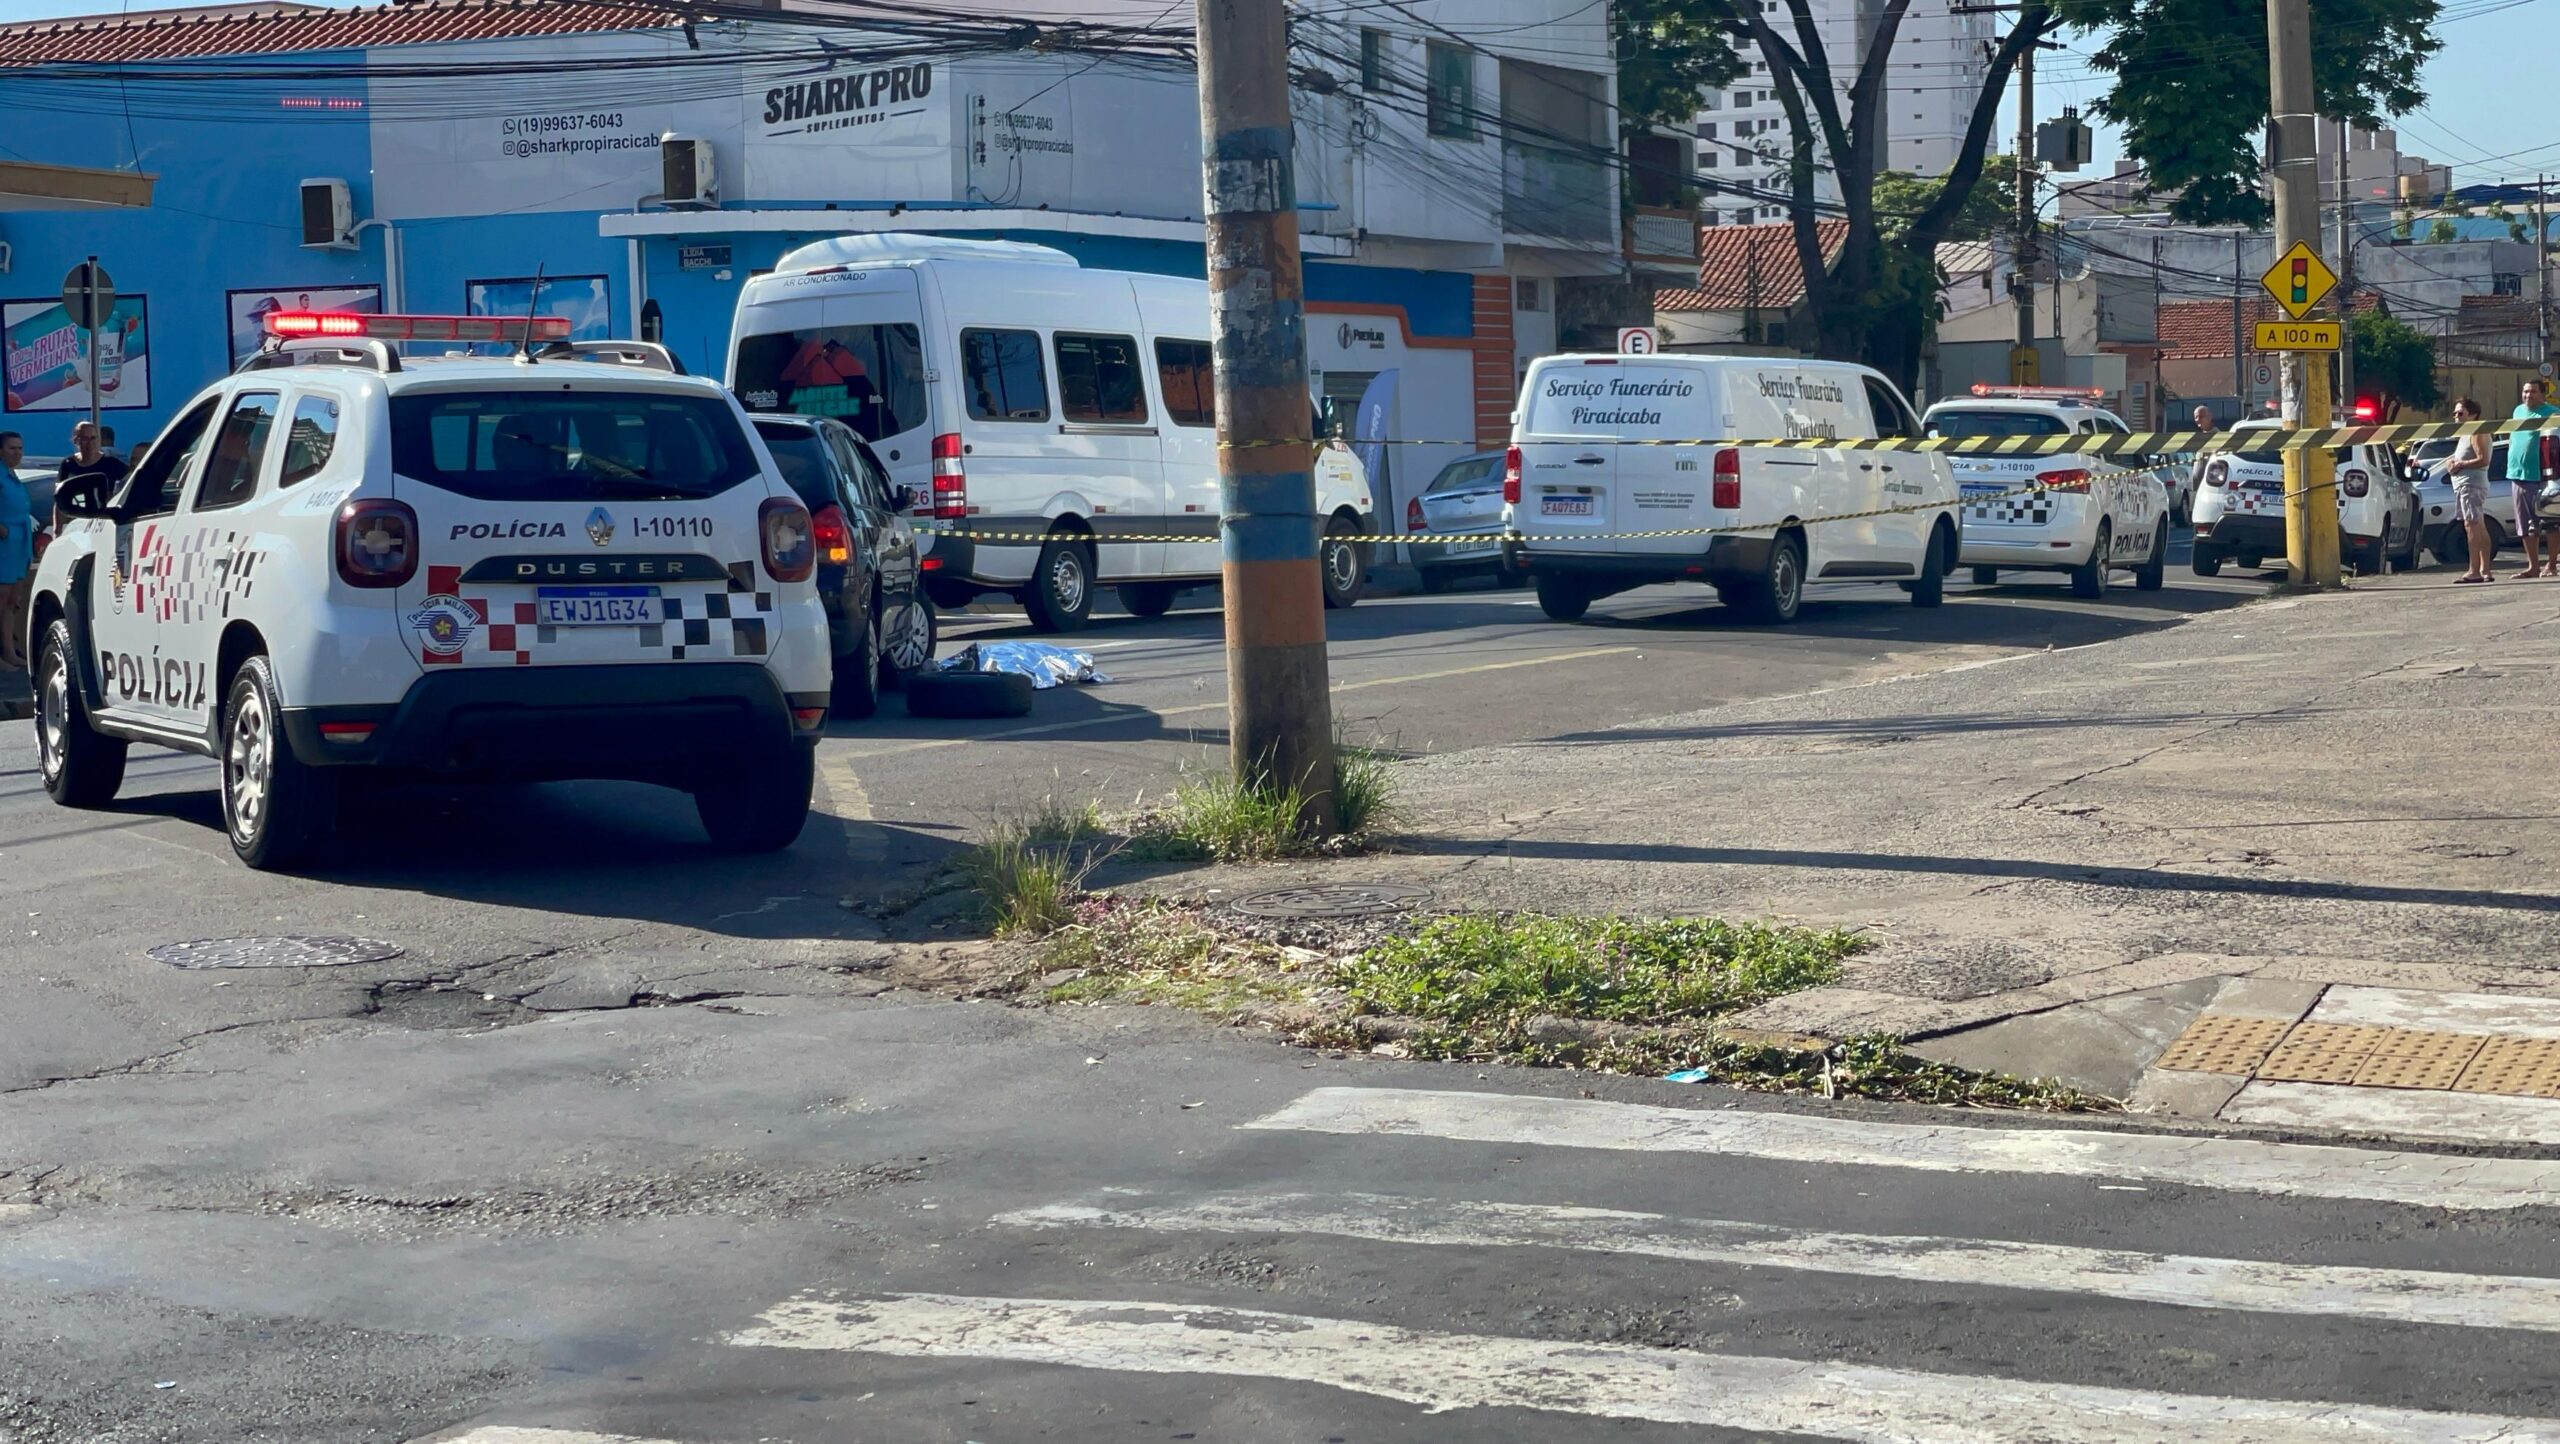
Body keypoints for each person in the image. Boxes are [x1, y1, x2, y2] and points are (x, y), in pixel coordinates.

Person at [2511, 380, 2560, 578]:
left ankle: (2552, 564)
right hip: (2518, 474)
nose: (2527, 395)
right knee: (2525, 525)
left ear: (2542, 394)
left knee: (2550, 522)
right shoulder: (2517, 411)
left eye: (2532, 391)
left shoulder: (2553, 413)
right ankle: (2533, 566)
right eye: (2525, 391)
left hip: (2543, 476)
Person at [2447, 397, 2498, 584]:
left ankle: (2474, 570)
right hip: (2466, 484)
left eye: (2461, 413)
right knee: (2478, 525)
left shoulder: (2476, 431)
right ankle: (2484, 570)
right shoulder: (2465, 433)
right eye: (2455, 413)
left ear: (2473, 415)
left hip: (2471, 485)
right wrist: (2451, 462)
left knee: (2472, 525)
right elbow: (2462, 457)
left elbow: (2483, 459)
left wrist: (2461, 464)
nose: (2456, 416)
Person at [0, 431, 32, 671]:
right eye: (12, 448)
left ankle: (10, 652)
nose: (17, 453)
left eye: (20, 448)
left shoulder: (13, 476)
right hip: (4, 544)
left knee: (12, 601)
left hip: (19, 546)